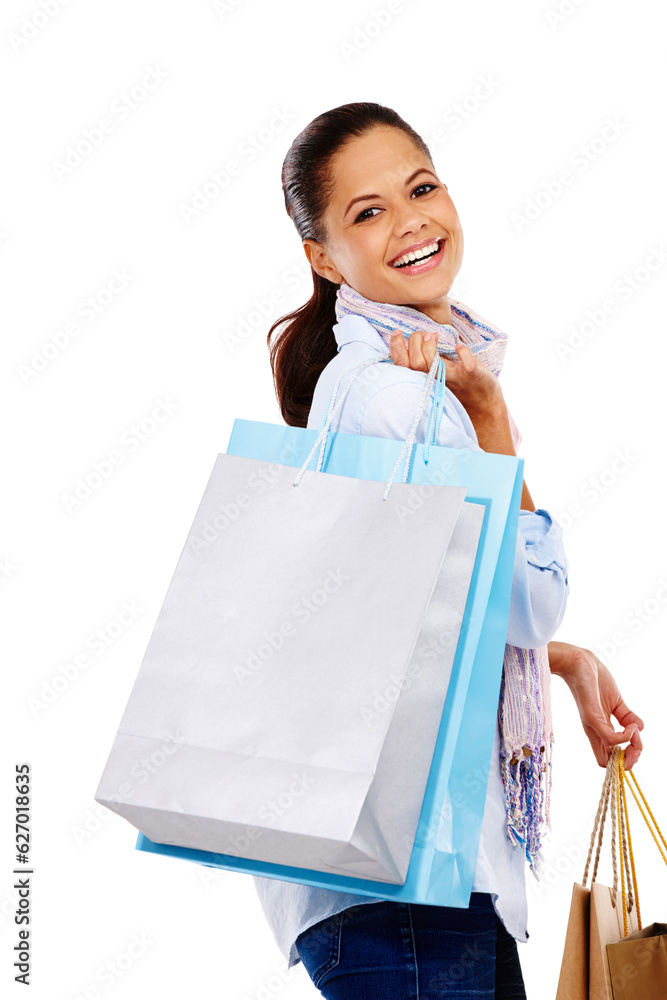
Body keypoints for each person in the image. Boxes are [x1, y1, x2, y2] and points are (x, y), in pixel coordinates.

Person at [254, 102, 644, 999]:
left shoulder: (376, 382)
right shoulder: (403, 397)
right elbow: (524, 597)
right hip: (413, 885)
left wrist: (562, 662)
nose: (411, 220)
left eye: (420, 187)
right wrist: (493, 421)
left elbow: (412, 616)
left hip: (388, 886)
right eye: (367, 212)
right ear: (322, 257)